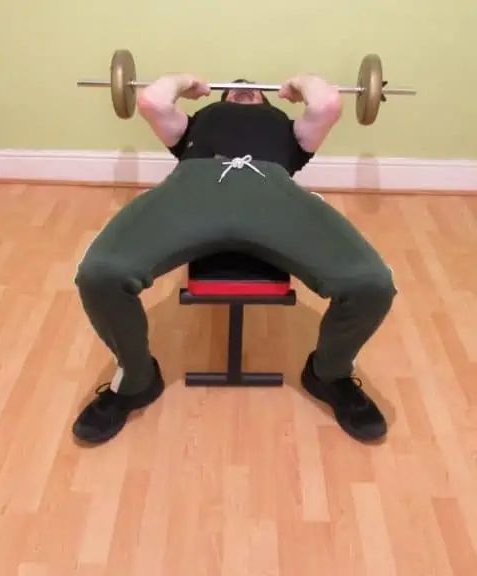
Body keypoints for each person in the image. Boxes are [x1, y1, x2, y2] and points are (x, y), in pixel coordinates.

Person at [72, 75, 397, 445]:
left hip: (272, 196)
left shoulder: (290, 131)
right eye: (234, 87)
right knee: (100, 274)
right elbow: (151, 102)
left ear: (272, 102)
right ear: (218, 99)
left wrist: (297, 85)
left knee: (371, 283)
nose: (244, 87)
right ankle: (135, 381)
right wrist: (186, 83)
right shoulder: (196, 124)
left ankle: (330, 374)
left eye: (255, 88)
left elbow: (326, 105)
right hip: (194, 189)